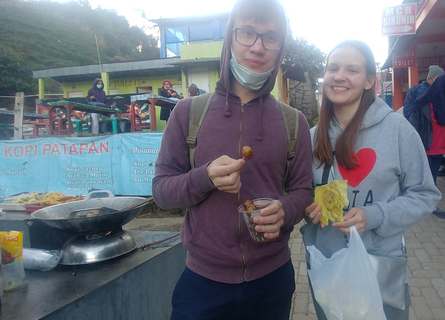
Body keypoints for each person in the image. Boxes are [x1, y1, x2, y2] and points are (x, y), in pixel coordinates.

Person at [152, 0, 313, 319]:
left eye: (271, 37)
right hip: (202, 283)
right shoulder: (188, 113)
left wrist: (286, 210)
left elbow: (303, 191)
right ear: (230, 38)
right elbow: (161, 191)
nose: (257, 46)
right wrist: (204, 177)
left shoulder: (294, 122)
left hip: (273, 280)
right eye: (247, 33)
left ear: (280, 49)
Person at [301, 40, 441, 319]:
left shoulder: (398, 130)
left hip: (379, 262)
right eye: (333, 68)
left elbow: (426, 195)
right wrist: (307, 206)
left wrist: (374, 215)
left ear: (369, 81)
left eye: (352, 70)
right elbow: (301, 190)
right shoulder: (313, 136)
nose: (339, 76)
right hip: (326, 263)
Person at [408, 73, 445, 218]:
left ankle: (428, 203)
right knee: (425, 177)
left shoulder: (442, 101)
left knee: (432, 175)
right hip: (426, 145)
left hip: (439, 148)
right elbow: (412, 120)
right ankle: (430, 205)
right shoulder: (423, 101)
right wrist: (414, 143)